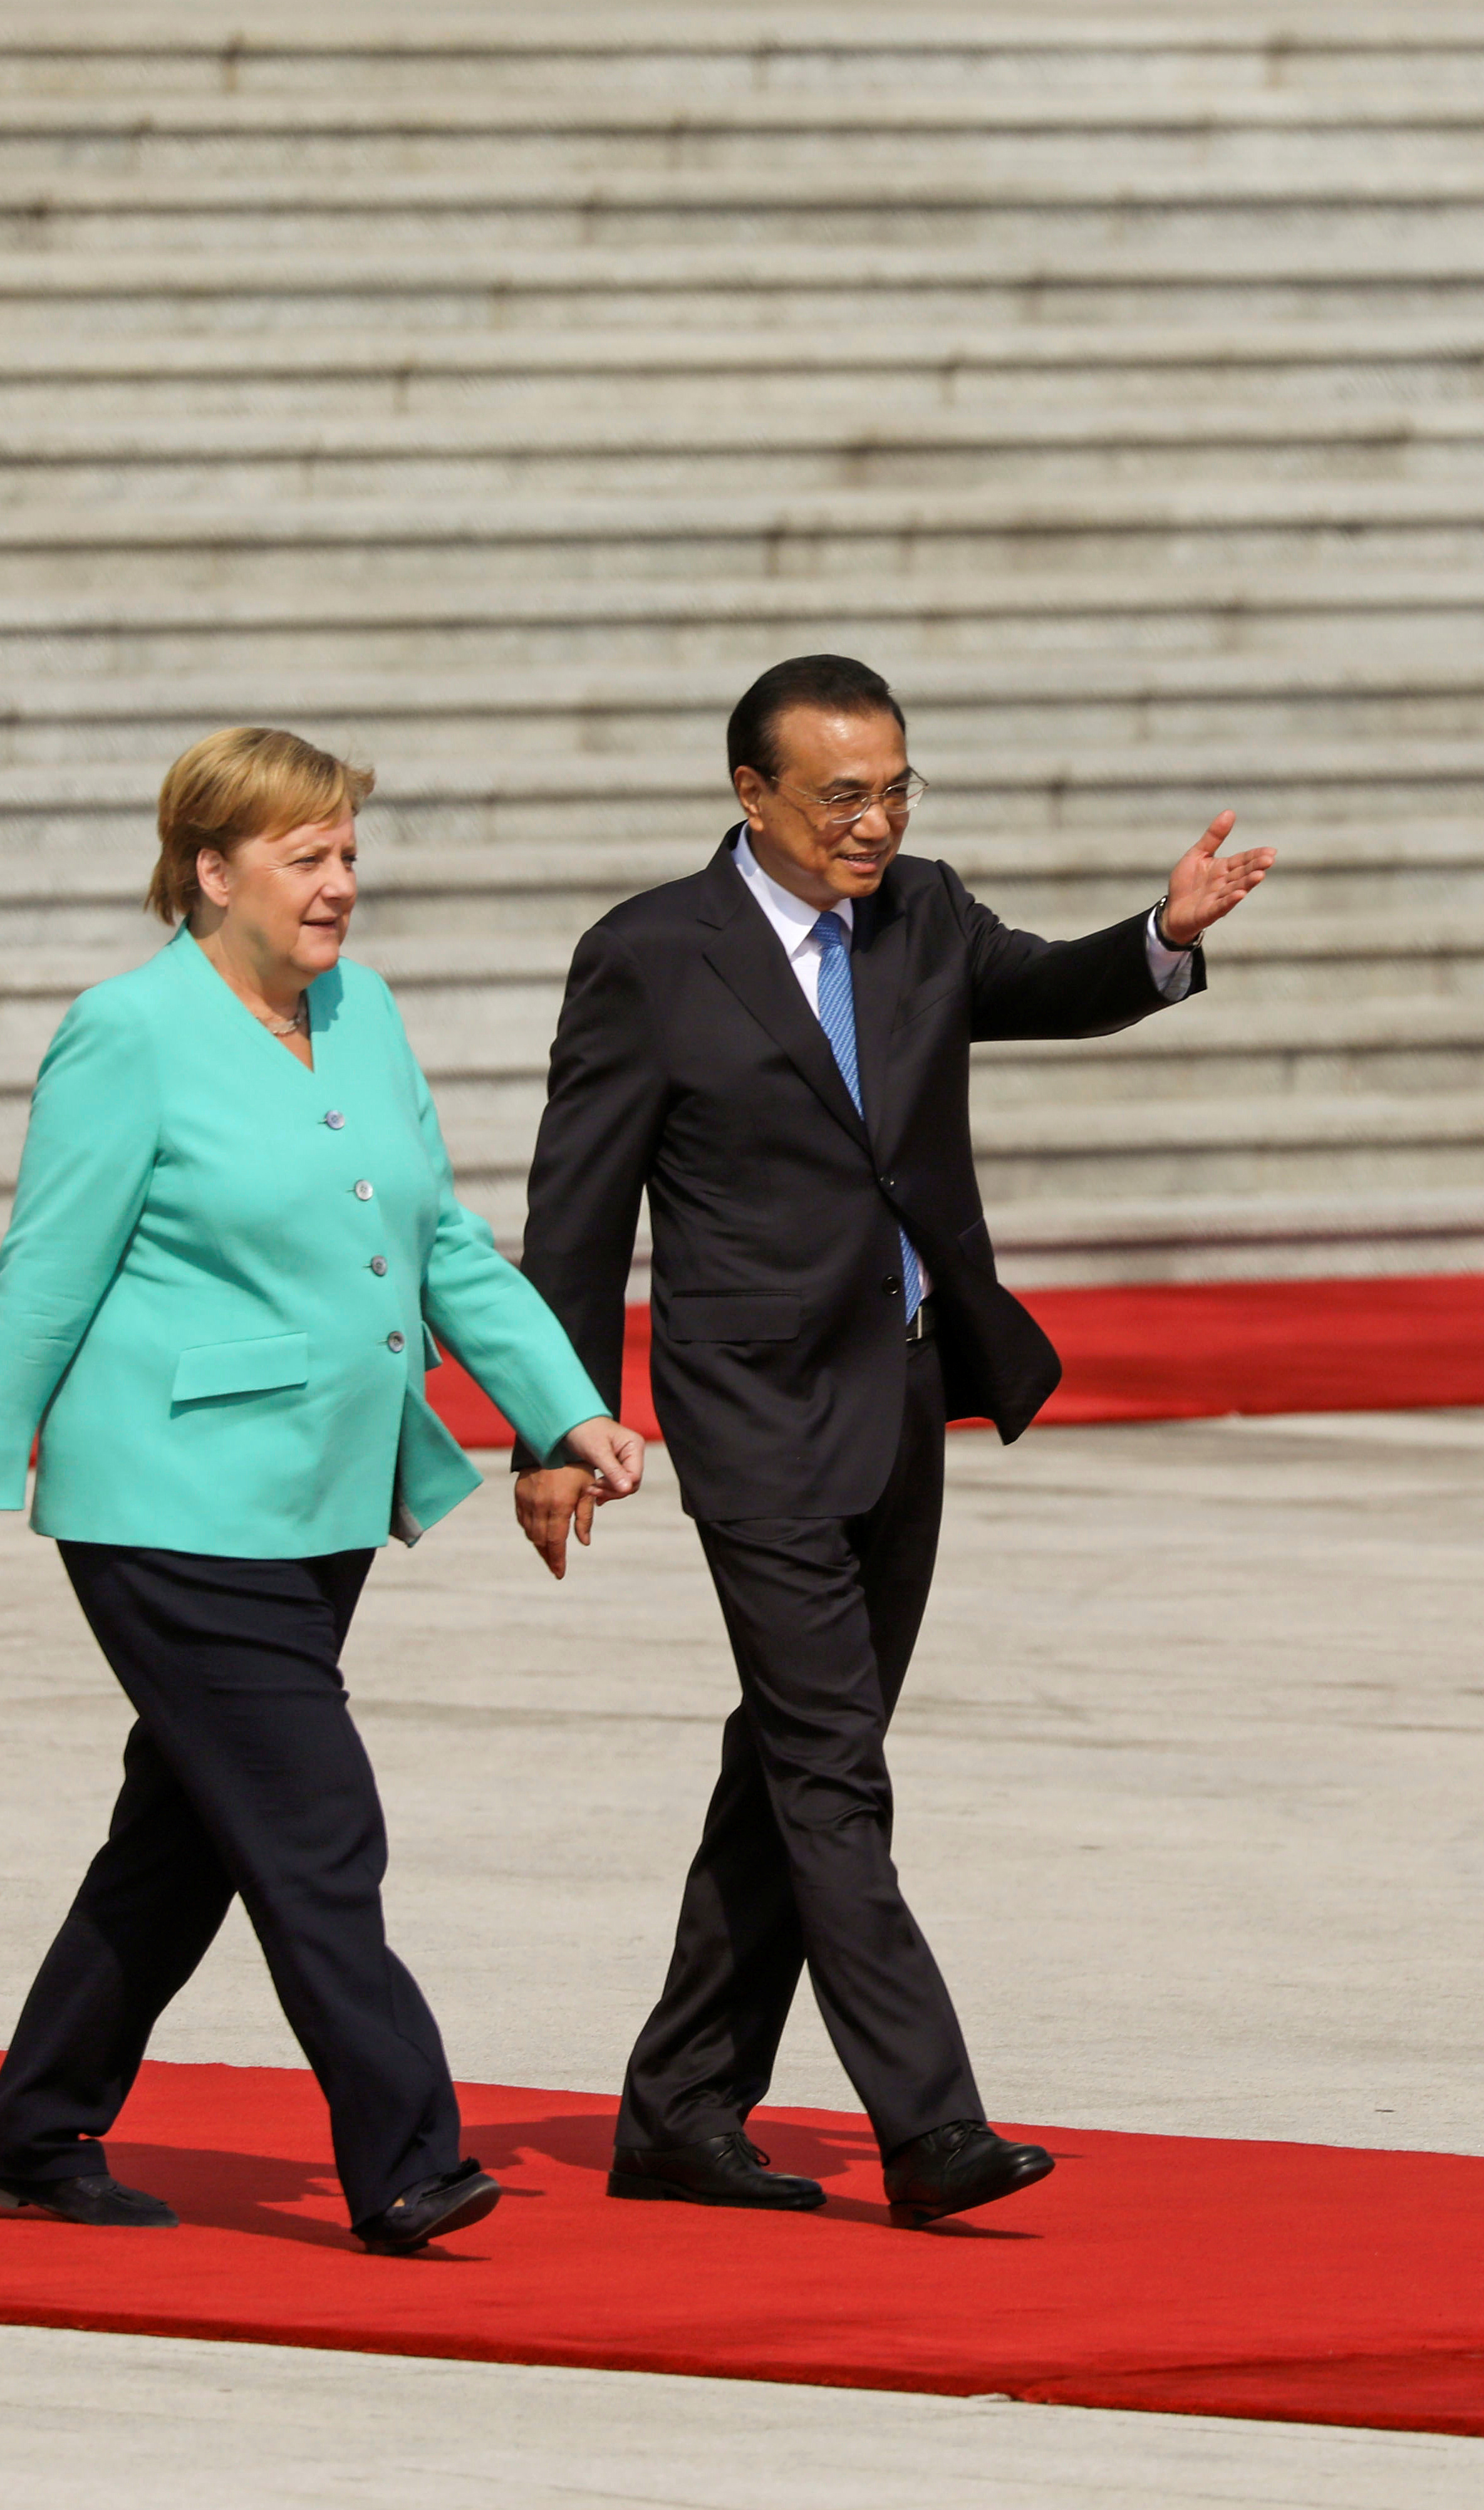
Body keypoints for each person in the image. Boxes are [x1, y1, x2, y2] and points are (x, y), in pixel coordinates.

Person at [512, 653, 1275, 2227]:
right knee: (830, 1765)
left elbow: (1047, 986)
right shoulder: (650, 955)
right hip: (751, 1408)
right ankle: (928, 2122)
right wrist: (551, 1421)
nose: (875, 819)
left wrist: (1163, 934)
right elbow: (575, 1216)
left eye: (895, 787)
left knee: (790, 1758)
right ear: (752, 795)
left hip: (906, 1391)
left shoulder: (922, 911)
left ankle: (676, 2107)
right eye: (842, 794)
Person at [0, 727, 646, 2253]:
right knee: (316, 1824)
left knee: (183, 1836)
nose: (339, 885)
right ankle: (405, 2156)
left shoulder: (359, 1013)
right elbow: (45, 1272)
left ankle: (32, 2128)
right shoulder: (128, 1030)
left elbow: (441, 1247)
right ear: (209, 868)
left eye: (349, 855)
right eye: (307, 856)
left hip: (315, 1499)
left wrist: (566, 1407)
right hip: (165, 1502)